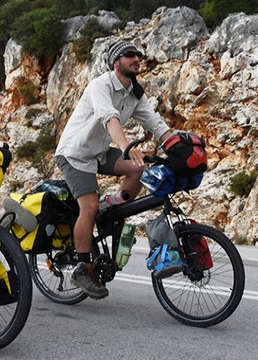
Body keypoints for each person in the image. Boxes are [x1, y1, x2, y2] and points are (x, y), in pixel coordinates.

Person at [54, 41, 172, 299]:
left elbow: (154, 121)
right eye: (129, 55)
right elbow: (109, 118)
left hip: (98, 152)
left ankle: (111, 209)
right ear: (115, 61)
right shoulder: (101, 85)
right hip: (74, 153)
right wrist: (126, 146)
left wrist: (176, 144)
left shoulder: (134, 94)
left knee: (138, 169)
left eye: (138, 55)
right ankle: (82, 267)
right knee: (89, 206)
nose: (136, 58)